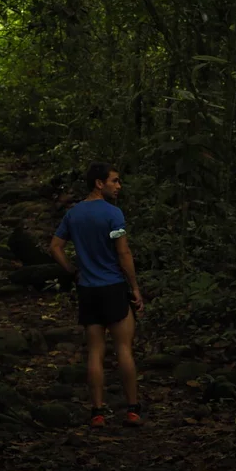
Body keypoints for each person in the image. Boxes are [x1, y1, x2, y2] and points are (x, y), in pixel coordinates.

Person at [49, 162, 144, 428]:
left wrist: (73, 271)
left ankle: (98, 412)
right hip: (113, 287)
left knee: (95, 352)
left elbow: (55, 247)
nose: (118, 186)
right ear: (99, 183)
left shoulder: (74, 214)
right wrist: (134, 287)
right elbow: (123, 253)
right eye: (114, 181)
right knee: (123, 348)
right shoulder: (113, 215)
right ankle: (132, 410)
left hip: (88, 289)